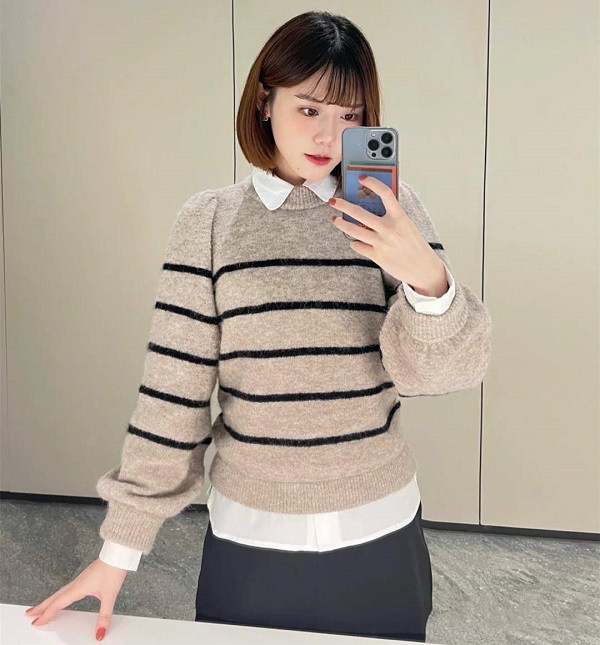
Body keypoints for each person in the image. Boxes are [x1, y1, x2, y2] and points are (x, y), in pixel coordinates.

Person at [25, 10, 492, 642]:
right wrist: (119, 551)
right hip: (251, 540)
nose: (329, 133)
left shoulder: (391, 211)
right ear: (264, 102)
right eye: (309, 108)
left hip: (381, 531)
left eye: (350, 115)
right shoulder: (210, 223)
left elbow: (441, 375)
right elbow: (173, 394)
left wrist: (427, 282)